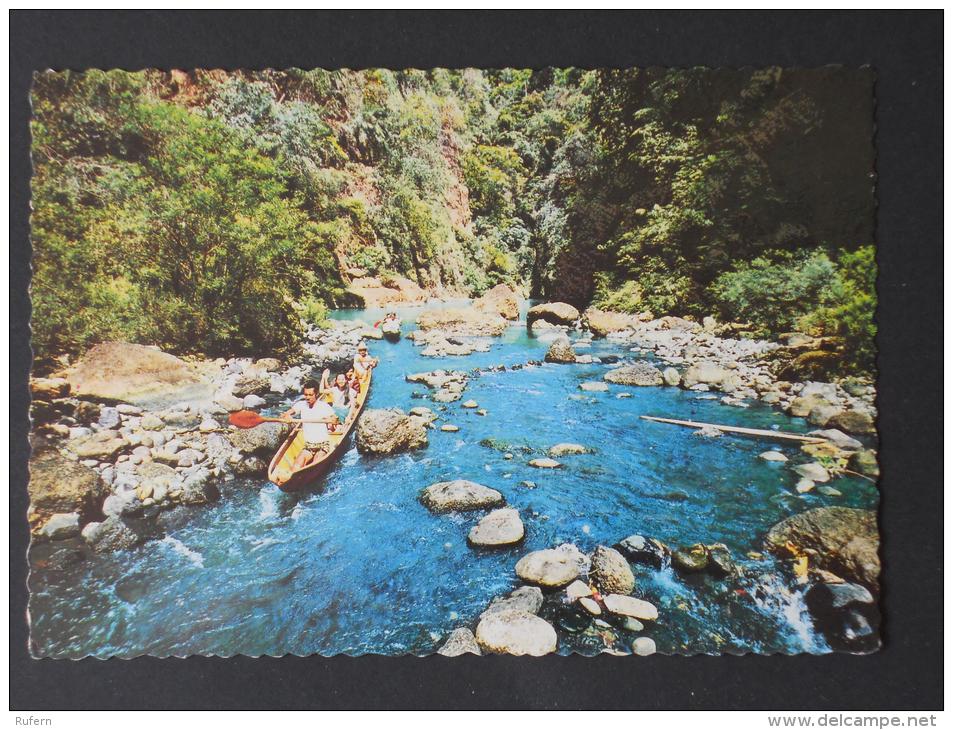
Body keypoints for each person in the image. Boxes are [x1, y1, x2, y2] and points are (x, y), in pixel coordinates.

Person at [278, 380, 339, 477]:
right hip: (309, 446)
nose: (307, 397)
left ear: (317, 394)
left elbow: (335, 419)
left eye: (310, 395)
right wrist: (287, 416)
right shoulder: (301, 405)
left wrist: (332, 420)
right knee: (295, 468)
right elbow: (288, 413)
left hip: (322, 446)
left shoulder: (324, 406)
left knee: (314, 465)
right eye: (306, 395)